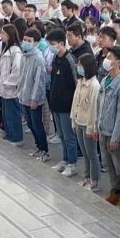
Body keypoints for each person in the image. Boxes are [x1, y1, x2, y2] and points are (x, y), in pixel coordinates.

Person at [99, 47, 120, 211]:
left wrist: (116, 136)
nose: (106, 59)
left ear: (118, 62)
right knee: (109, 165)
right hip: (103, 130)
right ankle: (115, 191)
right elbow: (100, 106)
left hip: (115, 134)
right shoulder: (105, 81)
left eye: (110, 57)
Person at [47, 29, 79, 177]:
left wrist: (74, 105)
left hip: (67, 106)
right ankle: (65, 160)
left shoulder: (70, 60)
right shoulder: (55, 58)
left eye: (53, 44)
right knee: (61, 135)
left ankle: (72, 164)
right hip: (55, 104)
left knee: (69, 136)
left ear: (61, 43)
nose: (51, 47)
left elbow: (76, 83)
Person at [17, 28, 50, 161]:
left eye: (29, 41)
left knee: (37, 125)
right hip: (24, 96)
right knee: (30, 124)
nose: (25, 42)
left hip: (33, 99)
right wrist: (20, 92)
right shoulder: (24, 56)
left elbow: (39, 81)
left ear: (36, 43)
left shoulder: (38, 58)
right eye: (24, 40)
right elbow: (22, 76)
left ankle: (44, 150)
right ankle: (38, 147)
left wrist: (34, 99)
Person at [70, 53, 101, 191]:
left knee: (92, 154)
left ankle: (94, 181)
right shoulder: (81, 81)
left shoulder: (94, 85)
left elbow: (93, 109)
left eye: (80, 65)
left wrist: (91, 128)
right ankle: (86, 177)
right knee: (85, 154)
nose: (78, 67)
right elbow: (75, 102)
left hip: (88, 124)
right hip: (79, 121)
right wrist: (73, 120)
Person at [0, 24, 25, 144]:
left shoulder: (15, 51)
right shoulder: (6, 48)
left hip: (11, 88)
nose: (1, 35)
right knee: (6, 114)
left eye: (3, 33)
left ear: (9, 35)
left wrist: (7, 83)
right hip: (4, 88)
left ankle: (16, 137)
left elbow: (17, 70)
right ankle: (9, 134)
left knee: (13, 114)